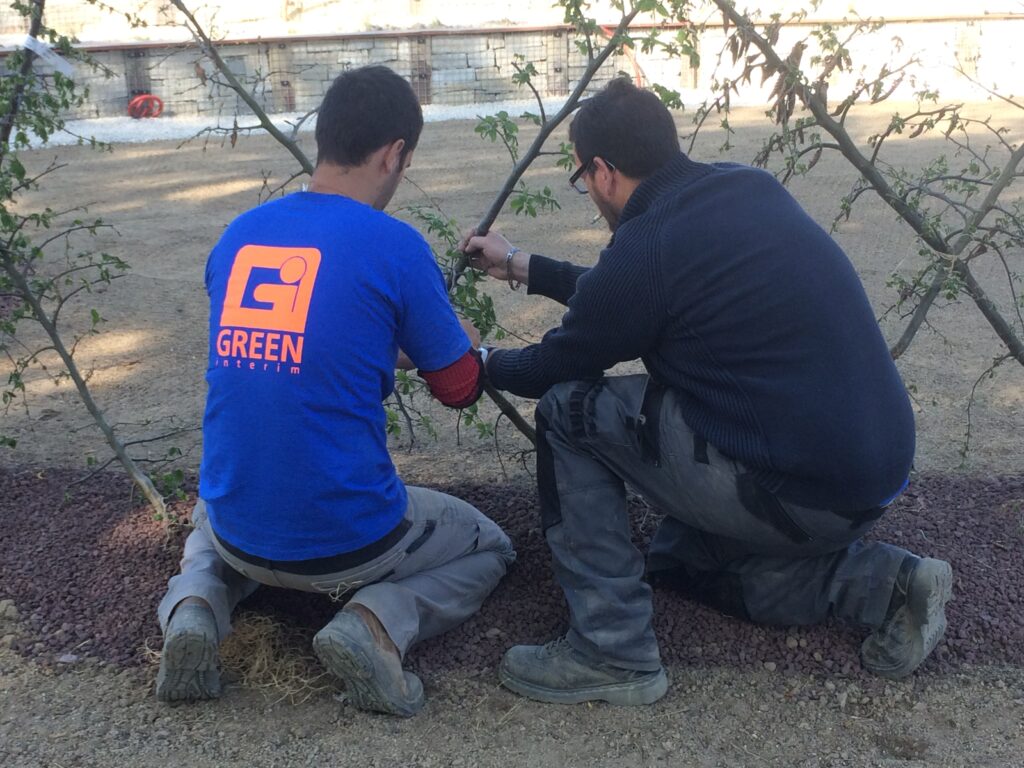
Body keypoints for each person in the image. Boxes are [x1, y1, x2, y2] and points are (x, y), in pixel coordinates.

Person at [461, 77, 952, 707]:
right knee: (681, 559)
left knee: (568, 408)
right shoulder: (743, 187)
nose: (589, 192)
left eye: (582, 178)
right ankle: (888, 585)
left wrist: (472, 362)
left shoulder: (650, 245)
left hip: (791, 494)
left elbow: (557, 362)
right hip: (865, 479)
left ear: (604, 171)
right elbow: (632, 296)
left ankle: (611, 649)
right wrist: (522, 265)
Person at [156, 65, 515, 717]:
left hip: (241, 529)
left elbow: (291, 356)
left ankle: (194, 608)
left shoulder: (237, 237)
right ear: (393, 154)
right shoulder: (395, 246)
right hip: (351, 545)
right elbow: (460, 386)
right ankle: (375, 622)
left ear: (324, 139)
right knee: (490, 545)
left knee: (211, 509)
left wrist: (380, 346)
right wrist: (447, 341)